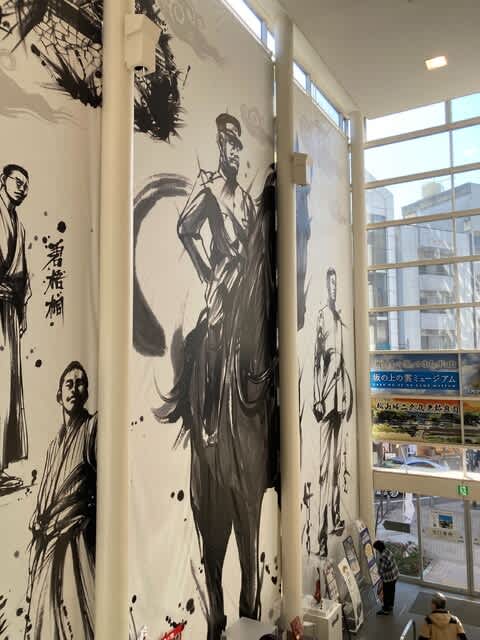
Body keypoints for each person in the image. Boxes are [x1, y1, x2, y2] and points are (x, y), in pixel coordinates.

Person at [177, 112, 255, 447]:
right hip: (222, 279)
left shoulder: (247, 201)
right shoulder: (209, 187)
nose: (235, 151)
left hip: (246, 279)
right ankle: (209, 413)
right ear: (221, 144)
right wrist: (207, 274)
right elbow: (186, 229)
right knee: (216, 331)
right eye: (230, 144)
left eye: (239, 146)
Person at [25, 361, 96, 639]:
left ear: (86, 392)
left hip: (76, 538)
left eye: (80, 384)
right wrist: (38, 519)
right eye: (69, 384)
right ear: (59, 394)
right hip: (48, 538)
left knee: (77, 621)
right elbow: (45, 491)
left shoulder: (92, 428)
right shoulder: (54, 446)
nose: (74, 390)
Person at [313, 267, 353, 556]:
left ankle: (335, 518)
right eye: (331, 284)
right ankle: (320, 532)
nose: (334, 288)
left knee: (337, 465)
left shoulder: (340, 320)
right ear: (325, 287)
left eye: (337, 284)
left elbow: (344, 364)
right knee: (324, 469)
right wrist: (318, 397)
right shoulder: (322, 317)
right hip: (327, 402)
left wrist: (346, 395)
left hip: (340, 403)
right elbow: (319, 361)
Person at [0, 163, 31, 492]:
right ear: (3, 180)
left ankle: (0, 467)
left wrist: (22, 313)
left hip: (8, 308)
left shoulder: (18, 225)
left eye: (25, 185)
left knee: (7, 387)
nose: (22, 188)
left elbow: (23, 277)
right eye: (17, 182)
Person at [373, 540, 399, 615]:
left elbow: (382, 569)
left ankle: (386, 609)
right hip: (395, 575)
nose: (376, 550)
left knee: (386, 593)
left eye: (376, 549)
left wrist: (378, 572)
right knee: (392, 591)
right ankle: (390, 606)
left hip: (388, 578)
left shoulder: (383, 556)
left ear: (378, 548)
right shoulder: (388, 551)